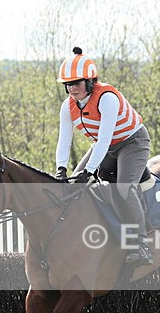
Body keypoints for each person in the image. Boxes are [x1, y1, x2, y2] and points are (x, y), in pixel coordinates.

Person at [54, 46, 152, 267]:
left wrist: (89, 172)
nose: (72, 88)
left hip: (132, 142)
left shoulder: (106, 98)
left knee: (124, 188)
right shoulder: (67, 107)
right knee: (72, 187)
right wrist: (61, 168)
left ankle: (140, 244)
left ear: (90, 82)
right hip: (104, 146)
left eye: (77, 83)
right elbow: (64, 140)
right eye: (68, 84)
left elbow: (105, 139)